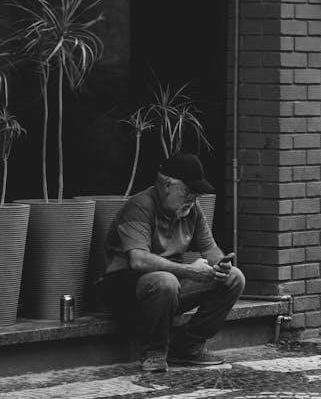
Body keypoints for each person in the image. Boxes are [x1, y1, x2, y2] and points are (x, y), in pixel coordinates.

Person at [100, 152, 245, 372]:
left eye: (196, 194)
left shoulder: (192, 209)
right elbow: (138, 260)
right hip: (127, 291)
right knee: (165, 281)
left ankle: (188, 346)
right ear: (167, 185)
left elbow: (210, 249)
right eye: (187, 192)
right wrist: (190, 271)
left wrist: (220, 264)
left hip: (170, 288)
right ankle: (154, 353)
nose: (192, 199)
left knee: (234, 277)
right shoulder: (140, 206)